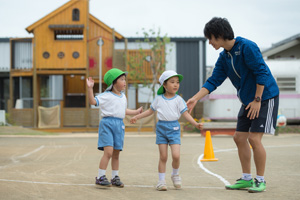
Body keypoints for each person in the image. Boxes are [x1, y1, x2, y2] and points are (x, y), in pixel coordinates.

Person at [187, 17, 279, 193]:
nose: (210, 42)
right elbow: (214, 80)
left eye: (210, 38)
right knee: (239, 138)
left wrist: (258, 100)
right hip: (247, 100)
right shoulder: (224, 57)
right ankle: (246, 179)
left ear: (220, 35)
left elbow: (261, 73)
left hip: (265, 97)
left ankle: (260, 180)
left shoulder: (247, 47)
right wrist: (195, 98)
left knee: (254, 139)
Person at [130, 70, 203, 191]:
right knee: (163, 156)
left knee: (176, 155)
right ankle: (161, 181)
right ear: (164, 85)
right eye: (172, 82)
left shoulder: (179, 100)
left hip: (174, 129)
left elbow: (185, 114)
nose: (176, 85)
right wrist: (136, 117)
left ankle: (175, 174)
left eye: (177, 82)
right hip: (161, 128)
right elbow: (150, 111)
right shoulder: (158, 99)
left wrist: (195, 124)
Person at [87, 68, 143, 188]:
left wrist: (135, 112)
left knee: (116, 153)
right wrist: (90, 88)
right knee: (108, 152)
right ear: (113, 82)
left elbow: (122, 111)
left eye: (125, 79)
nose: (125, 82)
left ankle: (115, 177)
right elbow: (93, 101)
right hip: (107, 124)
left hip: (119, 125)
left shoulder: (123, 97)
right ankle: (100, 177)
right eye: (122, 79)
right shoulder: (106, 95)